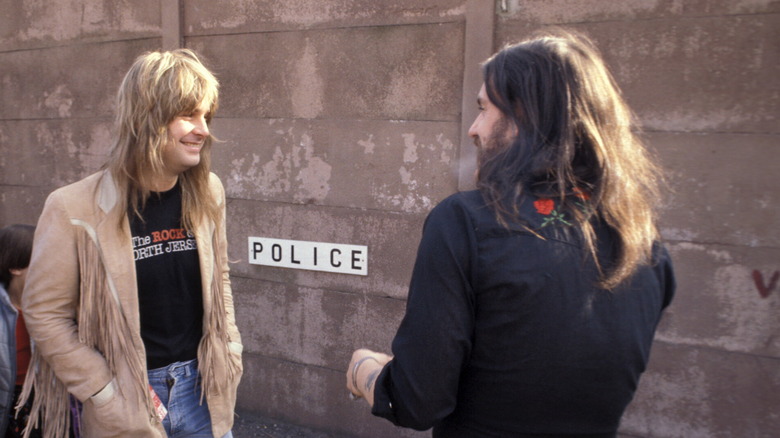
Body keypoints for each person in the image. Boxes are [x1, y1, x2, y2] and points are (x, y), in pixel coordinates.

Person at [346, 30, 676, 437]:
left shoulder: (464, 222)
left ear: (525, 116)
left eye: (484, 109)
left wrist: (366, 371)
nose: (474, 129)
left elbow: (418, 400)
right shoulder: (643, 245)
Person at [19, 49, 242, 438]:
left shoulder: (210, 191)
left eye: (206, 116)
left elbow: (219, 277)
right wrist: (103, 391)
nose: (203, 129)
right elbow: (44, 313)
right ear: (148, 118)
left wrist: (232, 350)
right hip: (127, 399)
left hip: (206, 393)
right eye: (188, 115)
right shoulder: (72, 207)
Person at [0, 224, 41, 438]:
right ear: (16, 267)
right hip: (8, 402)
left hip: (41, 398)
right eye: (39, 258)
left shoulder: (48, 304)